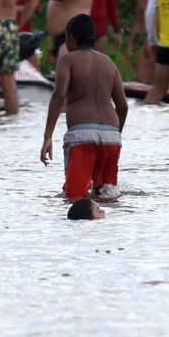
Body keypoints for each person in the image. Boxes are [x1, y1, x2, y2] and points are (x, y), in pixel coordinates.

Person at [41, 14, 127, 200]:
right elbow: (123, 106)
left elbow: (59, 95)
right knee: (107, 195)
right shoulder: (109, 63)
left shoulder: (68, 60)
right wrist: (115, 134)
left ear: (71, 38)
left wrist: (48, 136)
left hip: (82, 135)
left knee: (74, 197)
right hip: (112, 136)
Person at [127, 0, 158, 84]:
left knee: (162, 82)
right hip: (151, 42)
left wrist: (150, 41)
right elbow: (139, 23)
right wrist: (129, 48)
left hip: (168, 40)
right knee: (142, 79)